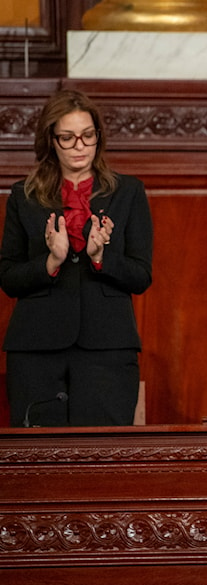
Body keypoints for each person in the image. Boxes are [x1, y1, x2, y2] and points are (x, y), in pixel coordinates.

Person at [0, 89, 153, 427]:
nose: (80, 146)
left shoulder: (128, 192)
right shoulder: (23, 195)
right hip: (37, 349)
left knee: (101, 461)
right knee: (37, 462)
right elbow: (8, 276)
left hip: (107, 349)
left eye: (87, 135)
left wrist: (101, 257)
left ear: (99, 136)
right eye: (67, 138)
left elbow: (141, 276)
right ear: (51, 140)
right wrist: (50, 262)